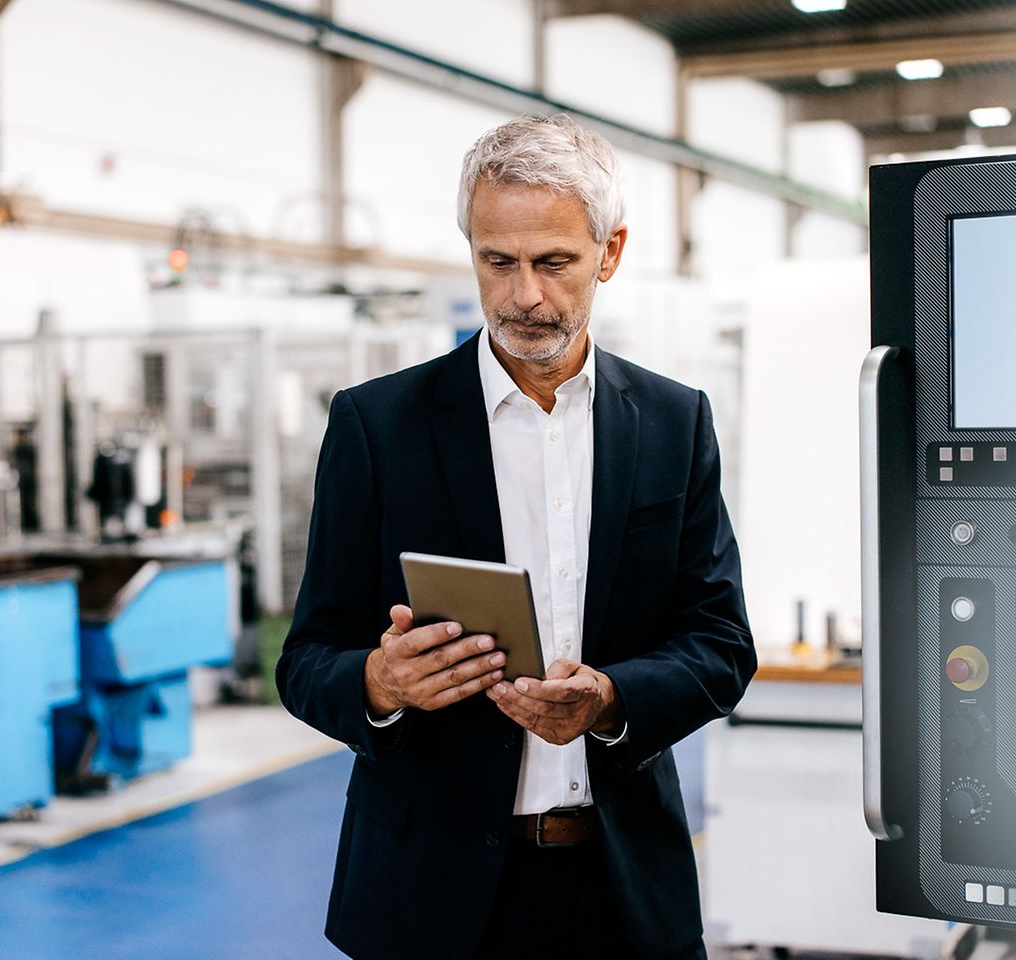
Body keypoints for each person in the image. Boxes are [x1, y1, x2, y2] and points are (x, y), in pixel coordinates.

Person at [277, 114, 755, 960]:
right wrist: (381, 684)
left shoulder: (675, 423)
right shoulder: (377, 427)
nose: (523, 295)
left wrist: (610, 699)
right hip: (429, 899)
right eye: (497, 261)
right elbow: (308, 655)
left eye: (554, 263)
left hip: (621, 890)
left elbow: (719, 644)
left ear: (609, 254)